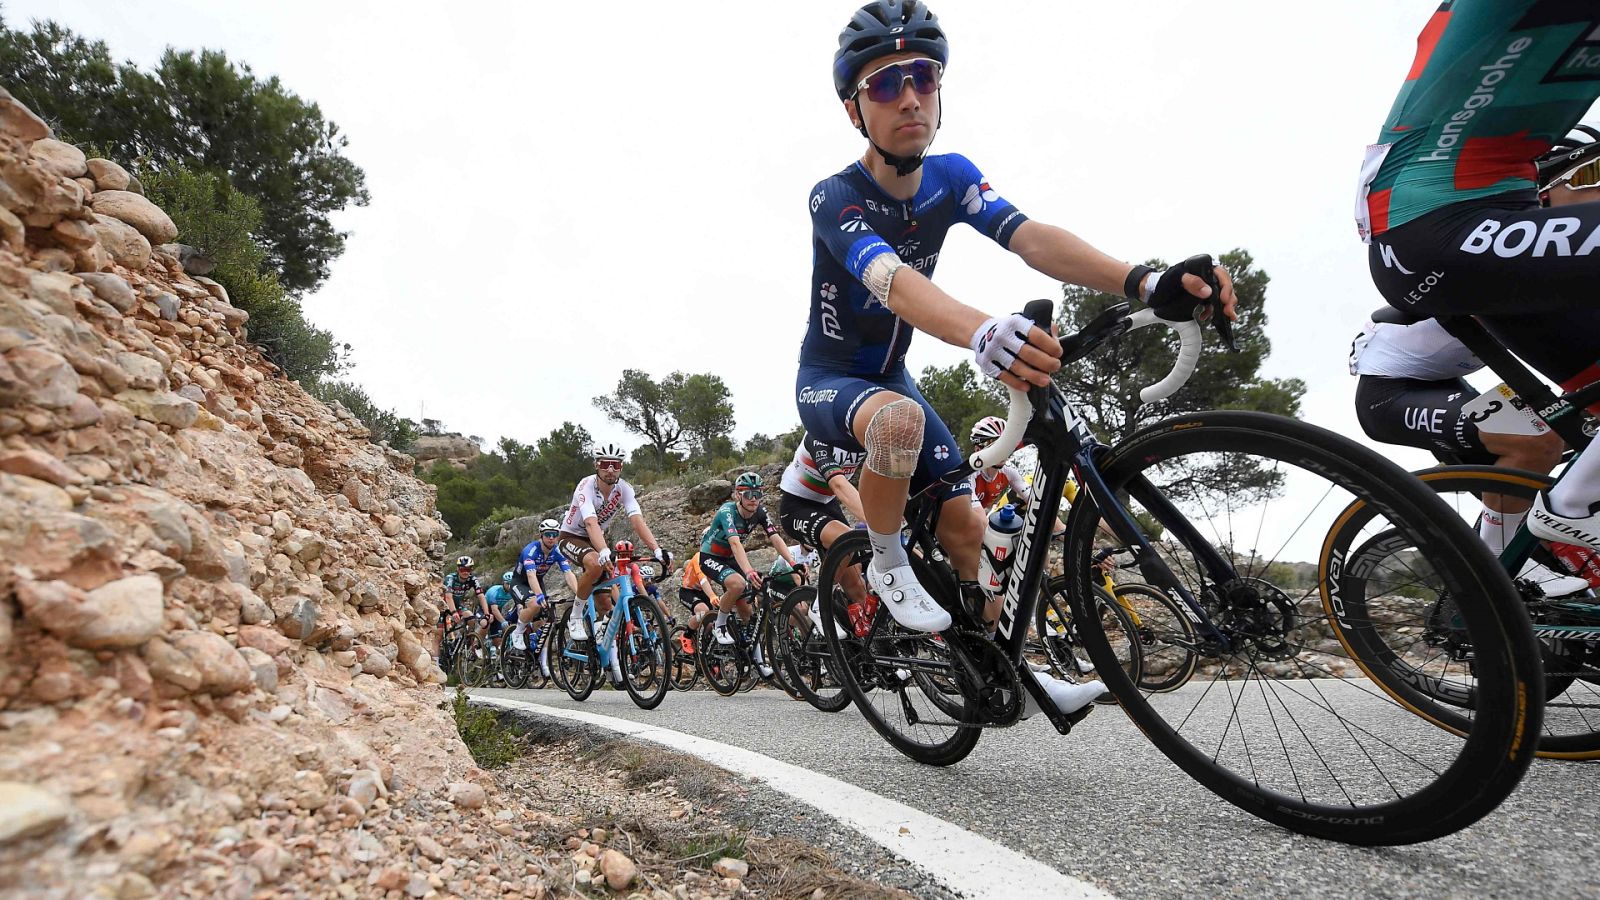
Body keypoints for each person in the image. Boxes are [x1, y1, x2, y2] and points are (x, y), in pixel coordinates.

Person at [802, 0, 1234, 715]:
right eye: (884, 84)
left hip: (894, 375)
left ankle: (1024, 671)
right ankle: (885, 565)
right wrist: (980, 332)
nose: (909, 96)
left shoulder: (951, 175)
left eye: (923, 76)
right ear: (855, 109)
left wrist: (1146, 281)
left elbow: (1030, 238)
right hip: (833, 379)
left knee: (970, 528)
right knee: (901, 423)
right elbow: (893, 283)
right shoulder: (835, 196)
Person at [1357, 1, 1600, 552]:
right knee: (1531, 442)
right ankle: (1518, 566)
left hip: (1447, 245)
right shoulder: (1512, 240)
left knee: (1566, 426)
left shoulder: (1532, 256)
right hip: (1392, 390)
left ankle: (1531, 574)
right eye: (1590, 174)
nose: (1593, 189)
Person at [554, 444, 666, 642]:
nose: (611, 469)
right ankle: (576, 616)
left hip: (595, 540)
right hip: (571, 536)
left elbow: (637, 521)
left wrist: (657, 549)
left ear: (621, 467)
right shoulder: (586, 486)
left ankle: (608, 659)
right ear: (597, 465)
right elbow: (590, 523)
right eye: (605, 464)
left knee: (606, 604)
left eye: (616, 464)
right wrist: (604, 548)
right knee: (596, 562)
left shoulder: (624, 489)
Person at [700, 472, 798, 677]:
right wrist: (749, 571)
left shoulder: (760, 512)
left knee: (748, 612)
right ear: (738, 496)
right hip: (712, 557)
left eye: (758, 494)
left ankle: (758, 659)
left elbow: (775, 537)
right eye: (748, 495)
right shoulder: (727, 511)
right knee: (737, 584)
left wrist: (792, 563)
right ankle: (720, 625)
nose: (753, 499)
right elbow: (735, 543)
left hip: (731, 558)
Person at [509, 518, 582, 651]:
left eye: (555, 535)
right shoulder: (531, 551)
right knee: (535, 603)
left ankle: (543, 662)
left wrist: (579, 594)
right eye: (548, 534)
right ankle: (518, 631)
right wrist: (539, 596)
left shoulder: (557, 551)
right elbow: (531, 575)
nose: (551, 538)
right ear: (541, 535)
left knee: (544, 623)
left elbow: (568, 573)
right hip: (520, 582)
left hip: (538, 581)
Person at [436, 555, 489, 657]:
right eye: (462, 569)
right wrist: (454, 612)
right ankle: (436, 661)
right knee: (439, 634)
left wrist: (487, 614)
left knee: (471, 618)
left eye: (468, 569)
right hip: (443, 606)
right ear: (458, 569)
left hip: (457, 605)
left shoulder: (472, 579)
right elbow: (448, 596)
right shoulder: (451, 578)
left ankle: (464, 643)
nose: (465, 572)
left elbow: (481, 596)